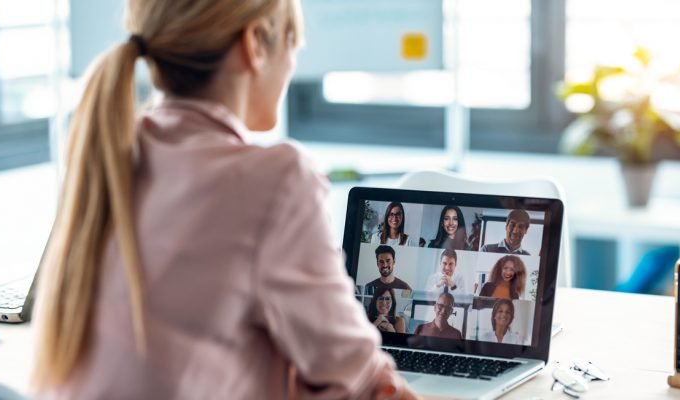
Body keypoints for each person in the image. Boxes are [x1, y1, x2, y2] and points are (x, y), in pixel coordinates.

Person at [31, 1, 417, 399]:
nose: (292, 66)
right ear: (254, 45)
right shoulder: (276, 181)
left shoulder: (113, 152)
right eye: (291, 45)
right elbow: (363, 381)